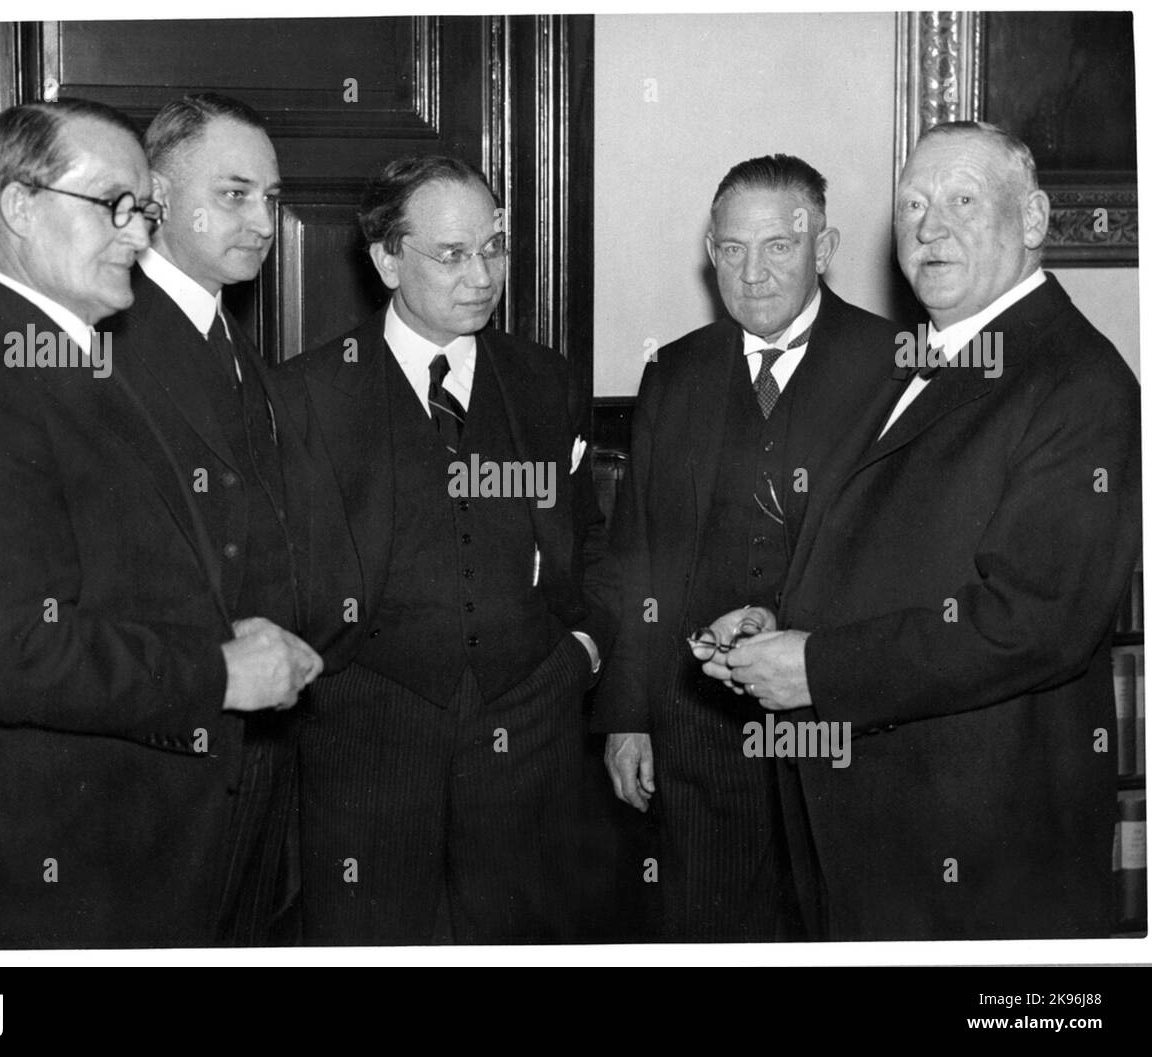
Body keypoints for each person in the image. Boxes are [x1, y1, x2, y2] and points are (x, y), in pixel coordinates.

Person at [0, 98, 314, 948]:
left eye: (143, 211)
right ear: (18, 207)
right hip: (42, 874)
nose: (139, 236)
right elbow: (15, 655)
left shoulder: (65, 352)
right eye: (113, 205)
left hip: (122, 856)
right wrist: (218, 671)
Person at [714, 121, 1141, 940]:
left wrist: (817, 665)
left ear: (1035, 220)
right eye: (912, 203)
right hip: (875, 824)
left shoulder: (1079, 381)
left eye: (963, 201)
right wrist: (782, 626)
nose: (928, 226)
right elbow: (890, 549)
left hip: (979, 840)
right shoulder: (920, 357)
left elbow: (1038, 622)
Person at [274, 154, 615, 944]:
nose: (482, 274)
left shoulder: (546, 381)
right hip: (365, 738)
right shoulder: (307, 395)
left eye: (493, 248)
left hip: (529, 729)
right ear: (387, 257)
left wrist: (586, 650)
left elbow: (589, 538)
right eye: (452, 255)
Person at [592, 154, 900, 941]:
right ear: (711, 251)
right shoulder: (675, 375)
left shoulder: (896, 369)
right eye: (733, 249)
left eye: (779, 247)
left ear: (823, 248)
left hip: (838, 728)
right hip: (699, 730)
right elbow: (635, 559)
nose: (753, 272)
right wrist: (627, 716)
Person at [107, 92, 323, 944]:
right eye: (234, 194)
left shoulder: (234, 343)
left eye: (270, 199)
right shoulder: (107, 341)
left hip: (253, 754)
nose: (264, 222)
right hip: (162, 763)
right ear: (155, 194)